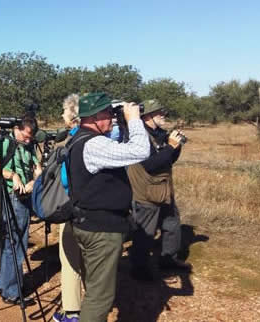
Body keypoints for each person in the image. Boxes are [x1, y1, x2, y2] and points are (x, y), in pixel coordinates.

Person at [66, 93, 150, 322]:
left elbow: (121, 150)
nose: (112, 118)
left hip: (88, 224)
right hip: (101, 230)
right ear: (93, 117)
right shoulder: (94, 144)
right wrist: (134, 119)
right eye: (108, 114)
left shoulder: (81, 139)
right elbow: (141, 151)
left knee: (95, 287)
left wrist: (124, 124)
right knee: (100, 296)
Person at [127, 99, 191, 281]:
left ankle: (168, 259)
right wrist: (170, 146)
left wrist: (176, 147)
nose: (163, 116)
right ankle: (139, 269)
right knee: (145, 232)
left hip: (163, 189)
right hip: (146, 192)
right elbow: (151, 164)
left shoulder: (160, 134)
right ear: (147, 116)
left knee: (172, 224)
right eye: (158, 113)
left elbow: (168, 160)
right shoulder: (139, 137)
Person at [0, 115, 42, 304]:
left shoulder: (28, 145)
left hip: (26, 197)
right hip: (13, 198)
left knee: (13, 242)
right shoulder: (3, 143)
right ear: (17, 129)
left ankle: (5, 284)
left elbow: (37, 167)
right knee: (16, 243)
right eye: (25, 136)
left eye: (30, 137)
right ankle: (12, 291)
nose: (28, 140)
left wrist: (35, 180)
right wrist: (13, 175)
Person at [53, 94, 83, 322]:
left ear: (72, 115)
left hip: (72, 206)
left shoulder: (73, 140)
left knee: (70, 259)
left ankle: (72, 312)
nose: (62, 115)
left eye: (64, 111)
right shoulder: (99, 137)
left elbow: (65, 179)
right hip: (93, 210)